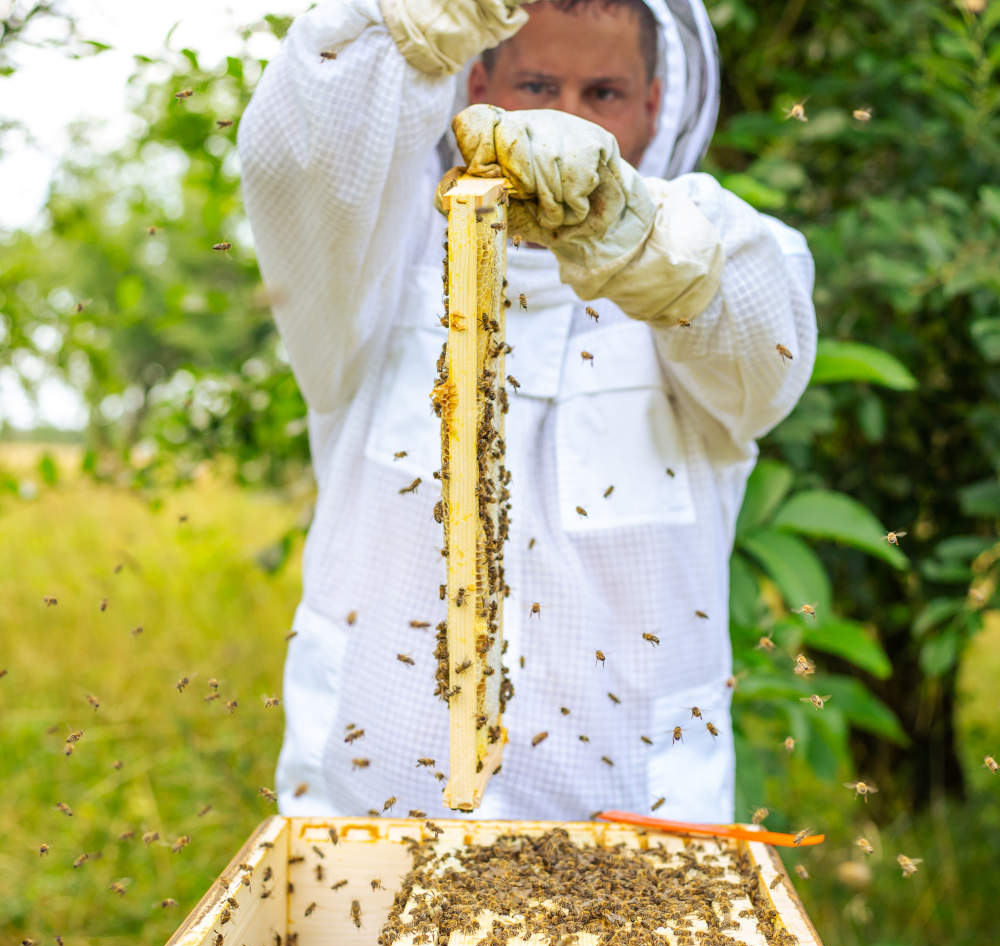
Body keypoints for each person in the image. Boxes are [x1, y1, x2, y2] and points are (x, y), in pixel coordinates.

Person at [239, 0, 817, 822]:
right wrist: (402, 21)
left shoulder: (710, 263)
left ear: (655, 104)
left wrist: (642, 238)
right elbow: (299, 164)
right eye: (538, 85)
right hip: (370, 819)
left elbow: (765, 345)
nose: (565, 120)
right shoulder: (380, 261)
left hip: (637, 836)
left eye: (604, 94)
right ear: (478, 84)